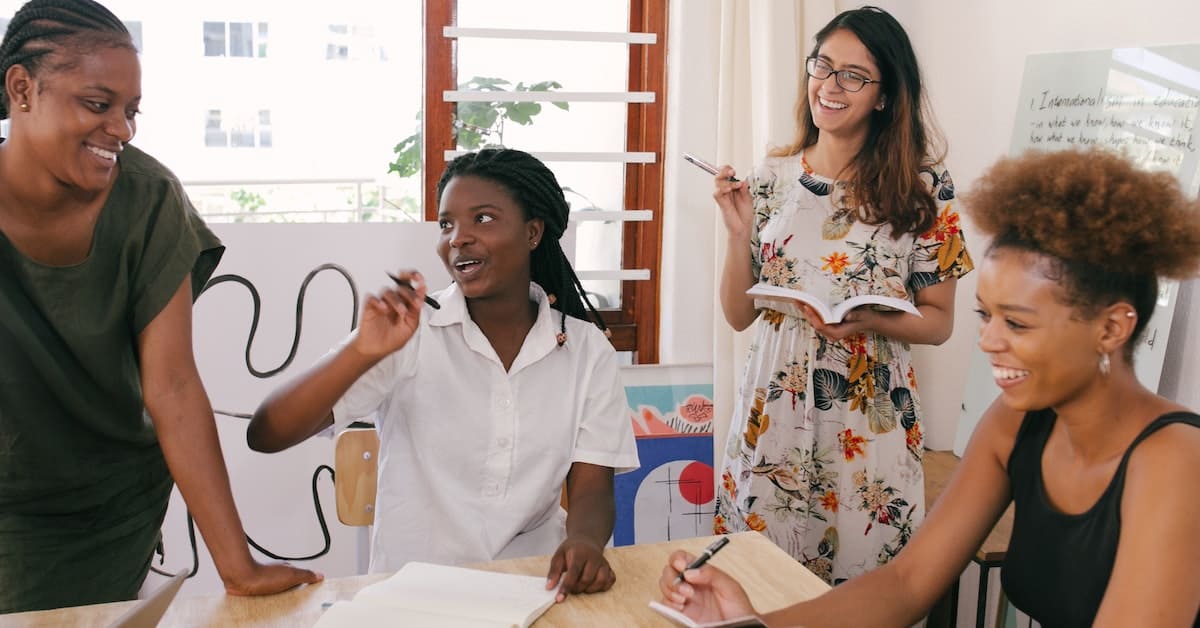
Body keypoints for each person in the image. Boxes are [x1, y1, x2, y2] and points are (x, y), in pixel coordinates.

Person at [659, 148, 1200, 627]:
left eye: (1017, 323)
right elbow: (905, 584)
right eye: (986, 316)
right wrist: (754, 622)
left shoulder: (1174, 460)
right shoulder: (1014, 426)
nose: (987, 341)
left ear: (1111, 328)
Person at [0, 0, 320, 614]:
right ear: (22, 89)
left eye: (131, 110)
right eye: (98, 104)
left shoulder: (149, 200)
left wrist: (239, 568)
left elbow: (172, 385)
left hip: (111, 500)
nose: (123, 129)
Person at [248, 148, 640, 601]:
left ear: (533, 232)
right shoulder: (410, 333)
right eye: (446, 223)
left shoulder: (585, 349)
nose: (458, 238)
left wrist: (585, 542)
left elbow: (592, 486)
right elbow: (268, 432)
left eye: (484, 219)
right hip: (413, 597)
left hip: (535, 590)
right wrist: (360, 351)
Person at [709, 5, 972, 584]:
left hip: (867, 425)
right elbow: (736, 316)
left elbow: (940, 323)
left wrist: (867, 321)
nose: (829, 85)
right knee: (758, 591)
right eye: (822, 66)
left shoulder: (927, 188)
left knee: (864, 594)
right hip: (771, 415)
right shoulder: (769, 177)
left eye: (852, 74)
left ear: (884, 95)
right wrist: (736, 234)